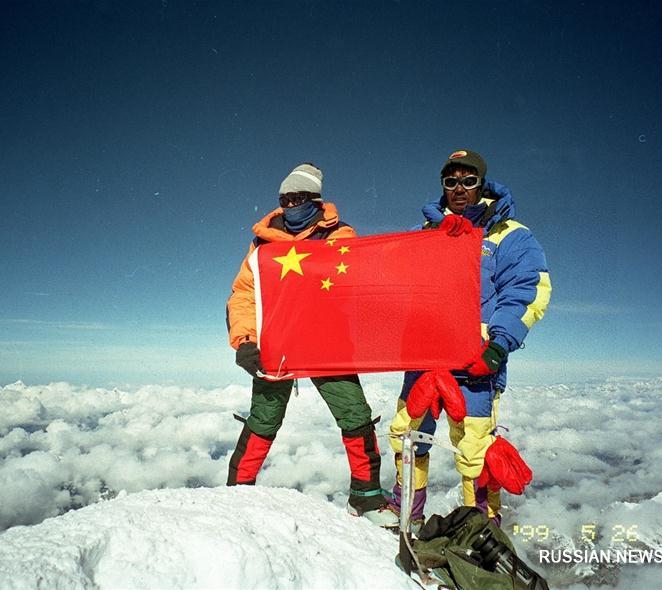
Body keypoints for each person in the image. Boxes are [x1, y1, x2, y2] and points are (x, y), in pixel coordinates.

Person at [225, 163, 399, 528]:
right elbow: (244, 294)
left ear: (316, 201)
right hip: (277, 343)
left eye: (299, 198)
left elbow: (363, 275)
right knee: (264, 417)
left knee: (355, 414)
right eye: (285, 199)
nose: (290, 206)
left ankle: (366, 498)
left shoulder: (340, 236)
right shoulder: (261, 245)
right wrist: (244, 341)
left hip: (326, 344)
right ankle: (236, 492)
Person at [388, 149, 551, 527]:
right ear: (443, 185)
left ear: (481, 183)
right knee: (407, 437)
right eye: (451, 181)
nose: (459, 188)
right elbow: (391, 285)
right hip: (424, 361)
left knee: (474, 449)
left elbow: (528, 292)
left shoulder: (511, 236)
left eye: (468, 180)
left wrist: (497, 347)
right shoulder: (423, 235)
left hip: (475, 366)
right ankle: (405, 511)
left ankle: (480, 527)